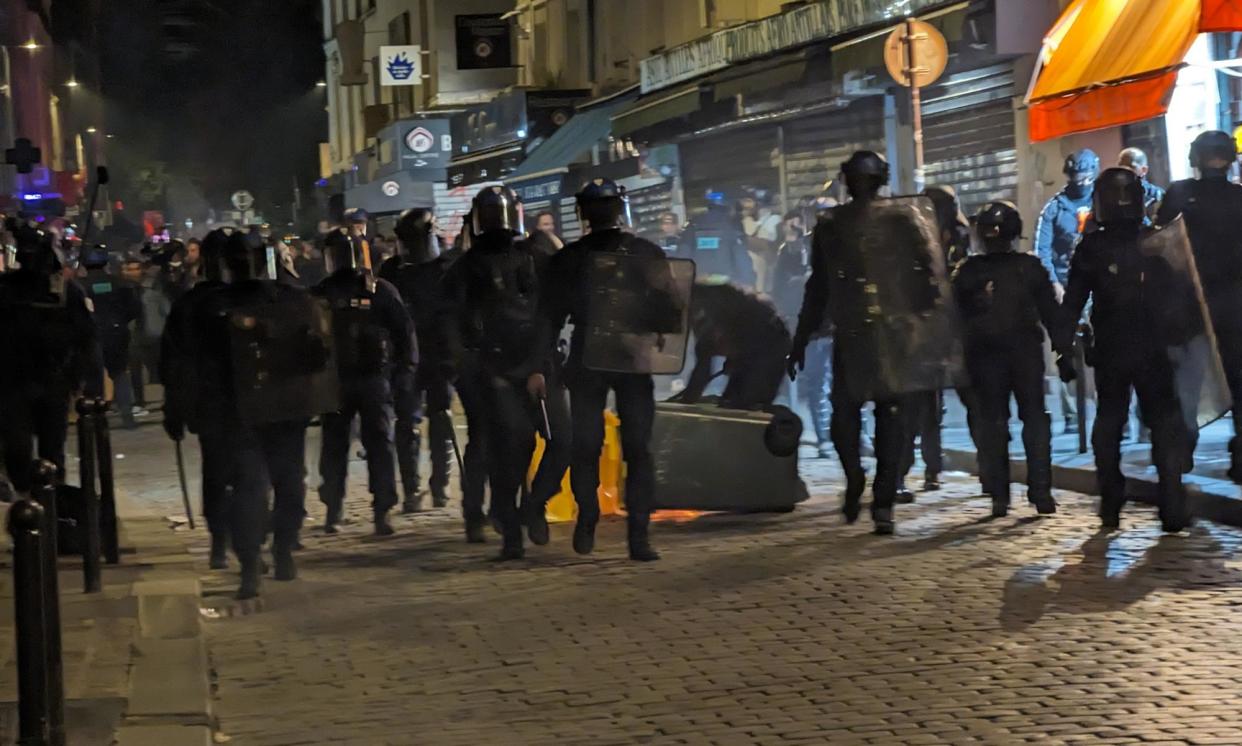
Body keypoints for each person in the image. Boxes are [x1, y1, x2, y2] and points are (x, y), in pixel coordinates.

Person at [180, 232, 328, 598]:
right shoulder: (207, 307)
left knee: (290, 485)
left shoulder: (289, 299)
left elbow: (316, 352)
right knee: (248, 487)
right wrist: (186, 405)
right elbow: (188, 361)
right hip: (238, 412)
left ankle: (282, 547)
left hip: (282, 408)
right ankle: (249, 562)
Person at [546, 178, 683, 560]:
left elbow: (670, 306)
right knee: (613, 446)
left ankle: (621, 527)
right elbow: (671, 309)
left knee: (616, 446)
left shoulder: (584, 256)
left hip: (618, 358)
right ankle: (612, 524)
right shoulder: (628, 253)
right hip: (607, 357)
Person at [442, 186, 570, 559]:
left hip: (540, 363)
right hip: (495, 369)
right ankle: (510, 527)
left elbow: (551, 312)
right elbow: (450, 318)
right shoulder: (467, 266)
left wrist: (540, 365)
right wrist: (468, 365)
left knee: (562, 440)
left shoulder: (537, 254)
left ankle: (536, 504)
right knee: (510, 448)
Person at [1063, 167, 1194, 532]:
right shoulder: (1158, 241)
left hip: (1112, 346)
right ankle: (1171, 503)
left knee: (1109, 422)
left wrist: (1063, 350)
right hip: (1154, 346)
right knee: (1163, 424)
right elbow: (1182, 297)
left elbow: (1072, 303)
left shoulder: (1091, 247)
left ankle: (1110, 502)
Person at [788, 151, 911, 535]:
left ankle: (884, 498)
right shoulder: (833, 226)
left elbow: (920, 278)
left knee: (884, 419)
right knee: (848, 416)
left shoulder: (899, 222)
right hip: (855, 332)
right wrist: (802, 336)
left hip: (886, 333)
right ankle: (860, 479)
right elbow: (820, 284)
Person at [953, 202, 1064, 517]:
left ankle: (1004, 494)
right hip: (1017, 354)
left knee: (996, 425)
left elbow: (952, 319)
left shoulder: (969, 270)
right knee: (1030, 421)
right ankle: (1037, 491)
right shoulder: (1027, 267)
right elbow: (1051, 314)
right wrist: (1063, 350)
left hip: (992, 356)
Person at [314, 227, 415, 536]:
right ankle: (333, 506)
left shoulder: (380, 291)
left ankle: (382, 508)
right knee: (334, 448)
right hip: (336, 381)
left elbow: (403, 332)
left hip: (374, 377)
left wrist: (404, 372)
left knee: (380, 445)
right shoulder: (321, 294)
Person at [1156, 130, 1242, 482]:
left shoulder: (1179, 195)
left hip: (1189, 307)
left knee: (1186, 389)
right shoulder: (1239, 198)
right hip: (1233, 307)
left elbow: (1159, 247)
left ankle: (1180, 454)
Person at [0, 223, 99, 493]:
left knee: (52, 450)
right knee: (17, 448)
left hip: (53, 379)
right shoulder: (6, 289)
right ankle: (26, 494)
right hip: (13, 382)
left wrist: (83, 379)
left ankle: (53, 506)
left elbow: (85, 337)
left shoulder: (66, 293)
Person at [162, 229, 233, 569]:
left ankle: (229, 540)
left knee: (222, 471)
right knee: (234, 472)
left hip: (223, 402)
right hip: (222, 401)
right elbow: (175, 361)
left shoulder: (190, 304)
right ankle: (226, 540)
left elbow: (172, 362)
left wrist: (174, 408)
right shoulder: (192, 304)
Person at [379, 208, 454, 514]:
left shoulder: (445, 267)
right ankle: (412, 489)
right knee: (407, 423)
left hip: (438, 355)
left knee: (441, 418)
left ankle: (440, 485)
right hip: (406, 358)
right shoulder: (392, 270)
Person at [1036, 148, 1099, 435]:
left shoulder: (1104, 200)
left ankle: (1111, 411)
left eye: (1085, 176)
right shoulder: (1054, 209)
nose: (1081, 182)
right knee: (1064, 351)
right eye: (1076, 176)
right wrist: (1055, 284)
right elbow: (1043, 252)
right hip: (1067, 287)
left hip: (1100, 285)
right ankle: (1073, 415)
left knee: (1108, 349)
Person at [672, 282, 789, 410]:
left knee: (744, 405)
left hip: (767, 352)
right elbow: (701, 373)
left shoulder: (712, 313)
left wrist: (685, 404)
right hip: (754, 351)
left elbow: (702, 374)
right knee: (732, 404)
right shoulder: (707, 321)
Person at [82, 245, 143, 429]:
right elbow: (135, 309)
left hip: (90, 334)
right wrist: (120, 321)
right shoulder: (119, 283)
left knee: (92, 378)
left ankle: (93, 419)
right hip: (116, 333)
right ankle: (127, 417)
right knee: (119, 374)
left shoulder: (81, 287)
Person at [678, 192, 756, 288]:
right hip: (727, 283)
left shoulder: (694, 224)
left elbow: (683, 253)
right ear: (727, 206)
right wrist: (748, 281)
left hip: (699, 282)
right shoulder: (733, 224)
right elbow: (741, 255)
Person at [740, 192, 782, 293]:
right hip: (753, 265)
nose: (746, 209)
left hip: (763, 263)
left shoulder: (773, 219)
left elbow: (770, 243)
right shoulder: (747, 221)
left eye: (749, 204)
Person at [1118, 147, 1164, 221]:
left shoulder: (1151, 191)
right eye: (1121, 166)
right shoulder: (1111, 190)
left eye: (1130, 167)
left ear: (1144, 170)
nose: (1124, 170)